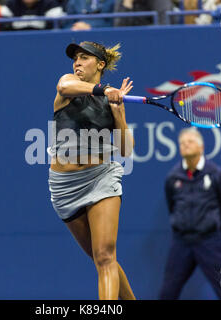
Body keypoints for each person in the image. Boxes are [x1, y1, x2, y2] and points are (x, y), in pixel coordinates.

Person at [48, 41, 136, 300]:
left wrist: (118, 114)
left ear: (100, 64)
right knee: (98, 257)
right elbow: (65, 86)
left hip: (101, 179)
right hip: (64, 186)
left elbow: (126, 150)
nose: (77, 62)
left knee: (106, 255)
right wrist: (105, 89)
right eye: (75, 58)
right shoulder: (67, 85)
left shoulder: (111, 101)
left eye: (84, 58)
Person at [159, 127, 221, 300]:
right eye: (182, 143)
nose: (185, 146)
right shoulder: (173, 177)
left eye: (190, 142)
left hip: (210, 242)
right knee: (167, 293)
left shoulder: (216, 174)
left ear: (201, 147)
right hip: (181, 243)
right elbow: (172, 205)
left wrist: (214, 230)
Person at [0, 0, 64, 31]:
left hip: (44, 42)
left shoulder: (51, 4)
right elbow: (4, 26)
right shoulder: (10, 4)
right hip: (15, 42)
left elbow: (54, 27)